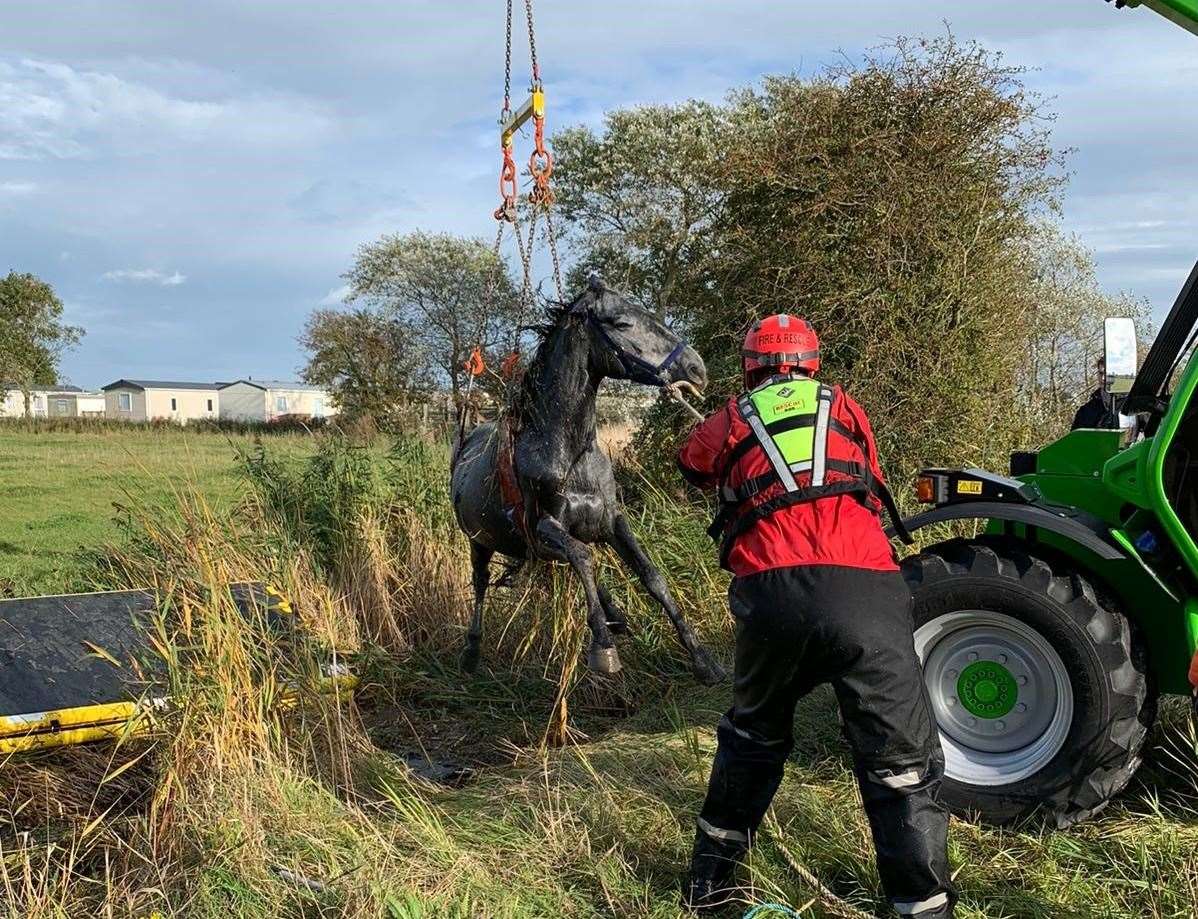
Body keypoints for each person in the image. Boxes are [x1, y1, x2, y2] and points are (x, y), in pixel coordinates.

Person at [677, 314, 955, 917]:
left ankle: (711, 888)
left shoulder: (731, 417)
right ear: (813, 364)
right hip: (867, 587)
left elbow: (692, 466)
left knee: (752, 739)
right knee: (901, 762)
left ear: (750, 366)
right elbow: (868, 479)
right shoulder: (847, 408)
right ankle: (922, 906)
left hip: (772, 591)